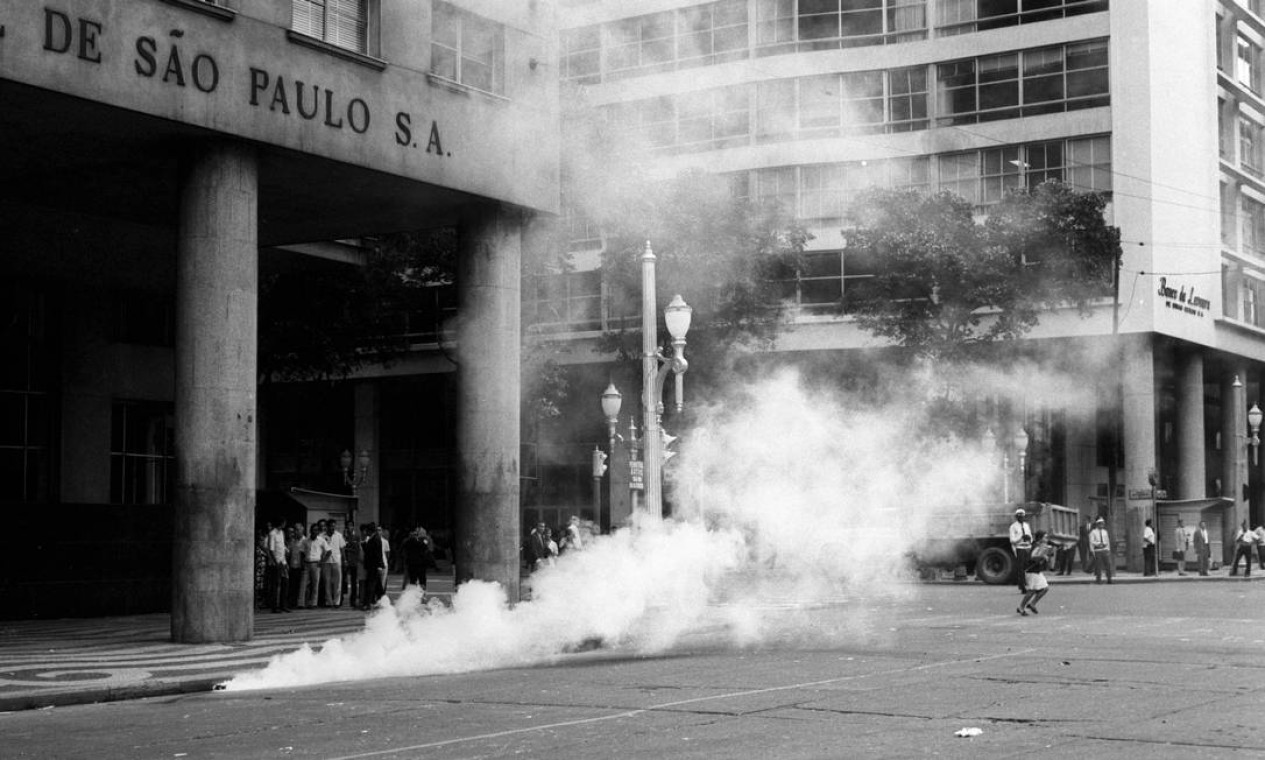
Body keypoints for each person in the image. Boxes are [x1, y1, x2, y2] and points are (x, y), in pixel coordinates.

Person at [1018, 531, 1053, 616]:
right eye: (1045, 537)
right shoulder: (1036, 546)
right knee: (1031, 591)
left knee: (1045, 588)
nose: (1046, 539)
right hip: (1032, 571)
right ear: (1040, 538)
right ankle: (1021, 607)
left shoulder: (1040, 546)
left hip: (1037, 571)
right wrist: (1043, 556)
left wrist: (1046, 555)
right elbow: (1033, 557)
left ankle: (1032, 604)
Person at [301, 523, 329, 609]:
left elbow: (329, 551)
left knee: (315, 585)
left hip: (316, 564)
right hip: (307, 563)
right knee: (303, 584)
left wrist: (322, 561)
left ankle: (313, 603)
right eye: (313, 530)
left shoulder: (321, 540)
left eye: (316, 530)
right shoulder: (305, 540)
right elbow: (302, 552)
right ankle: (301, 603)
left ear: (318, 531)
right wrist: (302, 562)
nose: (314, 531)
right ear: (310, 531)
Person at [265, 519, 290, 613]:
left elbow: (282, 548)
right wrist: (275, 562)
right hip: (276, 562)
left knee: (285, 583)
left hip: (282, 561)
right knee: (276, 585)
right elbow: (271, 550)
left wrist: (285, 562)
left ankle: (283, 605)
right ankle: (274, 607)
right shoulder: (272, 534)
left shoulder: (281, 533)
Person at [362, 522, 389, 608]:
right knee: (378, 587)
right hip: (372, 565)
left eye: (367, 531)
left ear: (370, 531)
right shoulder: (372, 538)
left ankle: (368, 603)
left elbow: (378, 554)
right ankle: (382, 601)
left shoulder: (376, 539)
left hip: (374, 566)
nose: (366, 532)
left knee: (371, 585)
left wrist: (379, 566)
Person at [401, 527, 434, 591]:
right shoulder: (421, 542)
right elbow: (426, 547)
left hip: (411, 563)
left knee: (412, 579)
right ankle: (422, 592)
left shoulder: (407, 542)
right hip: (421, 563)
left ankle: (411, 592)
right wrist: (425, 540)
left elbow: (402, 550)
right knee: (422, 579)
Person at [323, 520, 346, 607]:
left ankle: (337, 602)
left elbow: (342, 548)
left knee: (338, 582)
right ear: (327, 527)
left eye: (334, 526)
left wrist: (344, 560)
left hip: (336, 561)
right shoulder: (322, 536)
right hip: (326, 561)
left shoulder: (339, 535)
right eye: (331, 526)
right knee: (327, 582)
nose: (333, 528)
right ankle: (328, 602)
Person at [1009, 508, 1033, 593]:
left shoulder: (1026, 525)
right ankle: (1022, 587)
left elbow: (1030, 535)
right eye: (1019, 516)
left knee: (1028, 567)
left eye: (1022, 516)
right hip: (1019, 549)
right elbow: (1012, 540)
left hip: (1027, 548)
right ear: (1016, 517)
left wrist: (1030, 540)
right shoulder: (1013, 526)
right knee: (1021, 569)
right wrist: (1021, 538)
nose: (1021, 518)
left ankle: (1029, 584)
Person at [342, 522, 362, 609]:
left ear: (353, 527)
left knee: (354, 582)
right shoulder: (344, 537)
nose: (349, 528)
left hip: (354, 562)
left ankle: (353, 600)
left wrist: (348, 548)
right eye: (347, 526)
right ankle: (340, 599)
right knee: (343, 581)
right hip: (345, 562)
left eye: (350, 526)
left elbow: (357, 549)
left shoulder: (357, 537)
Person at [286, 525, 306, 609]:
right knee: (292, 585)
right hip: (292, 566)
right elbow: (289, 553)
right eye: (295, 530)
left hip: (300, 566)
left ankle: (300, 603)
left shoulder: (305, 541)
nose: (295, 532)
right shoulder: (293, 541)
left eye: (297, 530)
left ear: (302, 530)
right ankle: (292, 602)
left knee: (300, 586)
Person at [1089, 517, 1113, 584]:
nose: (1102, 525)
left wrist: (1108, 549)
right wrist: (1097, 545)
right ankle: (1098, 580)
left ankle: (1109, 579)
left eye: (1102, 524)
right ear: (1097, 524)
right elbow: (1091, 542)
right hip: (1098, 551)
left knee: (1108, 565)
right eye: (1100, 524)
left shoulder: (1105, 532)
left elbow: (1107, 541)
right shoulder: (1093, 532)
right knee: (1098, 566)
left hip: (1105, 550)